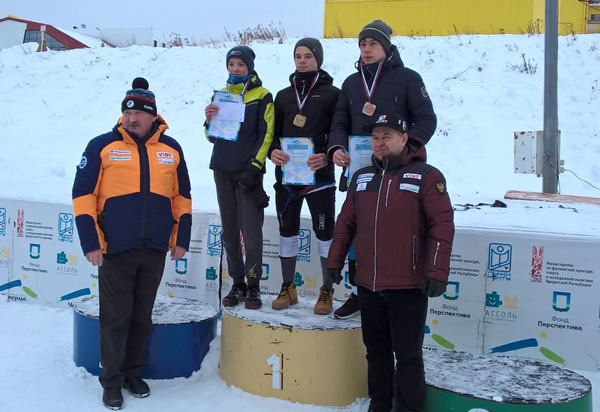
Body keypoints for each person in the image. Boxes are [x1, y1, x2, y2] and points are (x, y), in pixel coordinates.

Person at [72, 77, 192, 410]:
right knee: (115, 318)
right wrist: (90, 241)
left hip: (154, 246)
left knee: (142, 317)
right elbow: (83, 196)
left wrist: (180, 237)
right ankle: (111, 380)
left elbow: (182, 197)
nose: (132, 119)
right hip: (114, 247)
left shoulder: (171, 149)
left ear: (153, 116)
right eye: (127, 113)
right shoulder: (102, 146)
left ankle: (132, 373)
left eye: (139, 113)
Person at [327, 113, 453, 412]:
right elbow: (346, 223)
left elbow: (442, 226)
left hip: (407, 285)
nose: (379, 142)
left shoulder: (427, 176)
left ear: (404, 139)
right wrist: (334, 260)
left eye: (387, 136)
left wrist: (437, 271)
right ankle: (379, 405)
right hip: (368, 284)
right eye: (375, 137)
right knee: (376, 352)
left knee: (408, 356)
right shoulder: (362, 177)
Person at [326, 19, 437, 320]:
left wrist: (407, 150)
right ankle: (359, 291)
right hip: (362, 168)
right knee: (357, 227)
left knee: (393, 228)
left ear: (387, 48)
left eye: (372, 43)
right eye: (362, 44)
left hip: (400, 169)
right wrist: (336, 148)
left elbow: (427, 120)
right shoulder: (351, 83)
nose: (366, 49)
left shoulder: (408, 78)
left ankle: (396, 290)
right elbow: (339, 122)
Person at [268, 38, 340, 314]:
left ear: (318, 59)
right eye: (298, 56)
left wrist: (328, 155)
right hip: (287, 177)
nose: (302, 60)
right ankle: (288, 287)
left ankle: (327, 290)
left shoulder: (333, 94)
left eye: (308, 56)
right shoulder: (283, 95)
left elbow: (338, 131)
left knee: (324, 234)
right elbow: (273, 134)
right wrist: (273, 151)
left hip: (319, 177)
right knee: (287, 231)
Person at [205, 46, 274, 310]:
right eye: (231, 64)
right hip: (222, 168)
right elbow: (211, 137)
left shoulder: (262, 95)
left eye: (240, 64)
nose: (235, 69)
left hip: (247, 172)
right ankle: (238, 283)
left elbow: (266, 134)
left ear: (250, 67)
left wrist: (255, 166)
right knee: (230, 231)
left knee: (251, 232)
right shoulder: (221, 95)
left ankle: (254, 284)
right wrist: (208, 119)